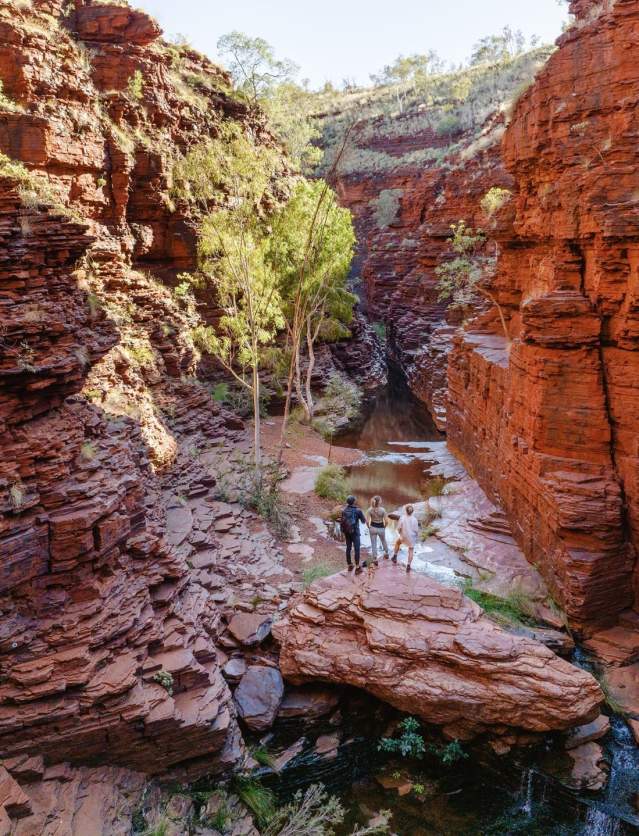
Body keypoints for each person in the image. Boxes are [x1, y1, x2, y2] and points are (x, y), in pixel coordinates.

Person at [340, 495, 366, 574]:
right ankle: (358, 567)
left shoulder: (344, 510)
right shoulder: (358, 510)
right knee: (357, 549)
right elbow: (363, 521)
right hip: (355, 532)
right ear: (354, 502)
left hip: (347, 532)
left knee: (348, 548)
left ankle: (350, 565)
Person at [392, 504, 419, 572]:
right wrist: (416, 536)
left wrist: (400, 532)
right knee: (411, 549)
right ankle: (408, 565)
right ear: (412, 511)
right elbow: (416, 530)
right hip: (411, 537)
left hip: (404, 536)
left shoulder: (402, 518)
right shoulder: (415, 519)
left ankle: (395, 556)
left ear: (406, 511)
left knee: (397, 543)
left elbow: (398, 528)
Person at [366, 495, 390, 565]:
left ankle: (375, 559)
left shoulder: (369, 510)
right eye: (381, 500)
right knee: (383, 540)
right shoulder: (383, 510)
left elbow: (367, 521)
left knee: (373, 543)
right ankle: (386, 553)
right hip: (381, 527)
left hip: (372, 528)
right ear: (379, 502)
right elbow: (387, 521)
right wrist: (384, 527)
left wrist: (369, 527)